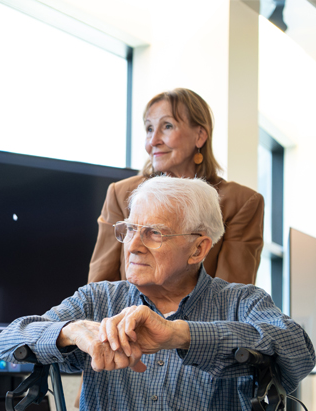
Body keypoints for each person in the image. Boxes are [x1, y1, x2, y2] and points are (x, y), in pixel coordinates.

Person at [0, 177, 314, 411]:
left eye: (154, 233)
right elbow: (9, 340)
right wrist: (73, 331)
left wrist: (181, 334)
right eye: (130, 229)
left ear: (198, 248)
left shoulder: (241, 302)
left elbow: (298, 350)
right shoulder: (98, 300)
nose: (133, 245)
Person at [89, 88, 264, 285]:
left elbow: (232, 300)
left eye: (167, 126)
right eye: (149, 129)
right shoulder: (120, 194)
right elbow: (99, 288)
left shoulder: (241, 203)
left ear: (199, 136)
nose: (153, 141)